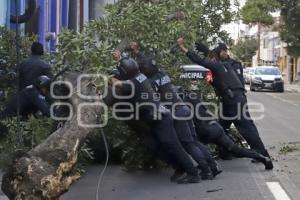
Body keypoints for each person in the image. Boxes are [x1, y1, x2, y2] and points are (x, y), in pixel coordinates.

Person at [176, 37, 273, 168]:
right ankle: (226, 151)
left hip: (234, 101)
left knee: (246, 128)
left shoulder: (222, 64)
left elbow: (202, 61)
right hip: (229, 101)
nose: (226, 53)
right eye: (224, 51)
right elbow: (211, 60)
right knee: (221, 127)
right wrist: (207, 50)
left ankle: (262, 154)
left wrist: (184, 49)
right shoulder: (223, 64)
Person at [130, 48, 221, 179]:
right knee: (194, 142)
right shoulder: (162, 73)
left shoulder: (150, 82)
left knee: (188, 144)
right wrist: (137, 51)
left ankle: (206, 171)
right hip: (183, 108)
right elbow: (148, 63)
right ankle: (213, 166)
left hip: (176, 112)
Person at [111, 57, 201, 184]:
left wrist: (110, 77)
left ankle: (193, 173)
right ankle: (179, 167)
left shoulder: (134, 82)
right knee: (155, 146)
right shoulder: (140, 76)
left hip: (161, 118)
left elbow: (116, 83)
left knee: (174, 146)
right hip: (156, 118)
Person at [180, 89, 273, 170]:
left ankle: (209, 166)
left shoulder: (183, 103)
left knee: (195, 144)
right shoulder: (194, 97)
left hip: (206, 130)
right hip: (216, 127)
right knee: (236, 149)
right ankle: (262, 158)